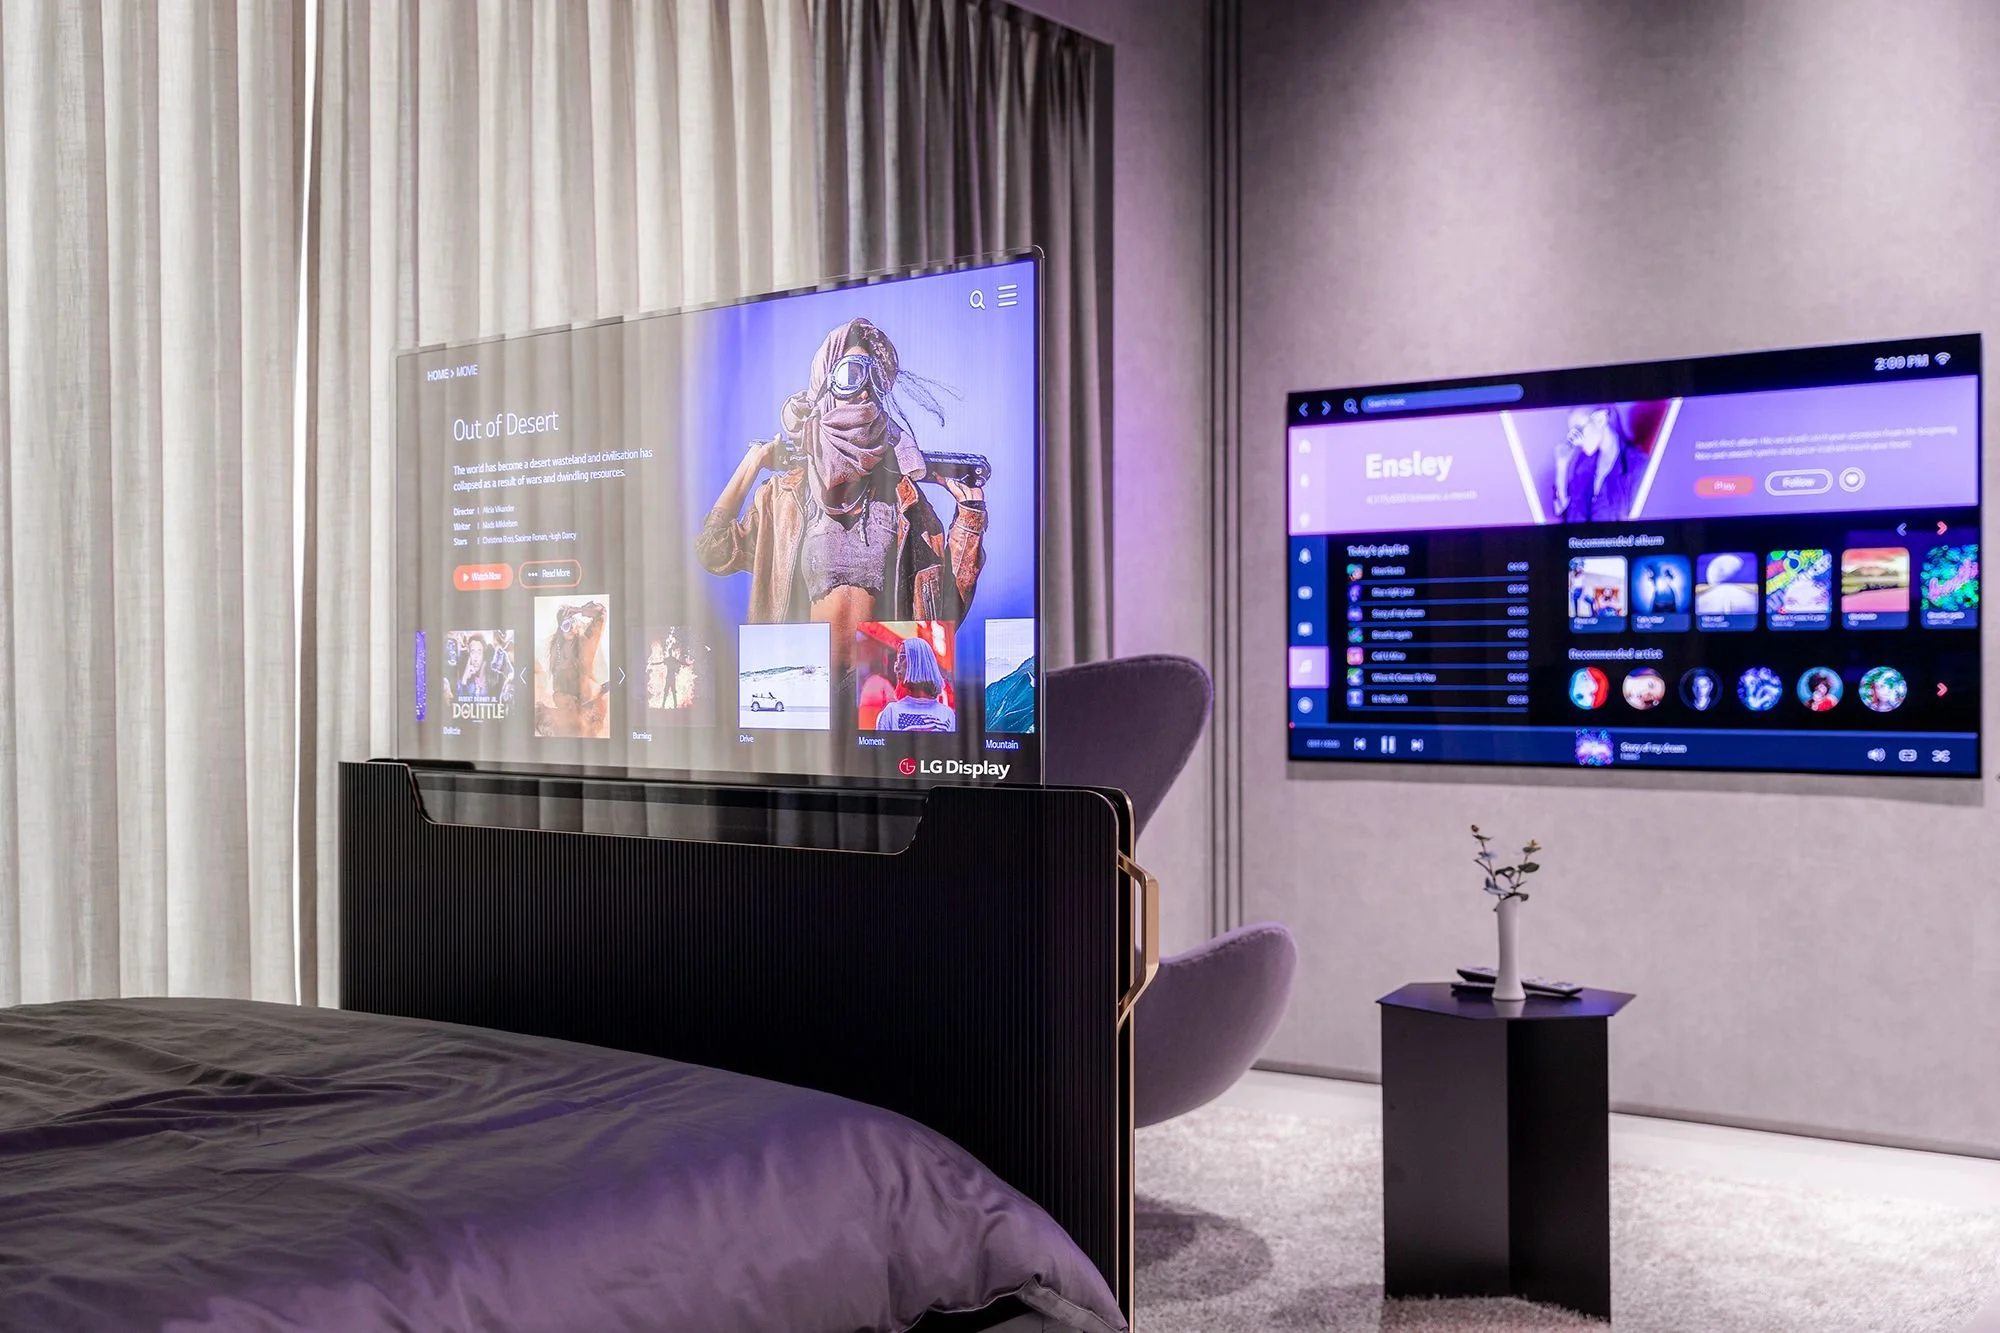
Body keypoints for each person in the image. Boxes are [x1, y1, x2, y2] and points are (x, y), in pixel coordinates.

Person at [697, 318, 987, 680]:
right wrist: (752, 462)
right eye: (851, 374)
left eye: (875, 379)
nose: (864, 392)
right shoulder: (786, 498)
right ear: (826, 382)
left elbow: (944, 612)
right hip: (802, 684)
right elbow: (713, 550)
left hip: (879, 685)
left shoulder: (904, 501)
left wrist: (970, 520)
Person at [1553, 404, 1640, 523]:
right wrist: (1561, 467)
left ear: (1600, 419)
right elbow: (1570, 516)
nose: (1577, 441)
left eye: (1578, 430)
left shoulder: (1636, 466)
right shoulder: (1583, 463)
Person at [535, 601, 609, 737]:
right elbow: (557, 688)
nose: (569, 627)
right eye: (565, 624)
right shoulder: (557, 650)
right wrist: (565, 701)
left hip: (587, 709)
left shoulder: (585, 640)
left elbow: (601, 613)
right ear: (560, 628)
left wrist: (578, 610)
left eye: (571, 621)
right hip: (568, 713)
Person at [875, 636, 957, 733]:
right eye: (897, 660)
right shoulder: (891, 712)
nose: (896, 667)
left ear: (918, 662)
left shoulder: (948, 715)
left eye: (902, 658)